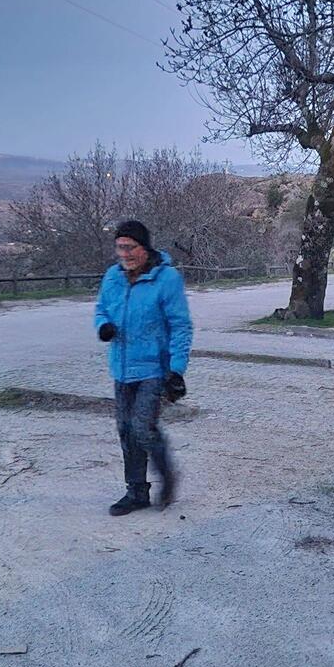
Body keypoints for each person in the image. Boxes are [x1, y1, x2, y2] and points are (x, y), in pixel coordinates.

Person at [93, 220, 193, 516]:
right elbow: (101, 309)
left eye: (130, 247)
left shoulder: (167, 279)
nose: (124, 254)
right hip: (121, 369)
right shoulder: (112, 277)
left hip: (153, 368)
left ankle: (168, 475)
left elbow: (181, 326)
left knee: (141, 427)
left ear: (145, 248)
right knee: (125, 430)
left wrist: (177, 370)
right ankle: (136, 492)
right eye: (120, 247)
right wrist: (103, 326)